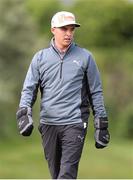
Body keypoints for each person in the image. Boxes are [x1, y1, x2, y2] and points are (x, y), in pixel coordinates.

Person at [16, 11, 110, 179]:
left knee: (66, 175)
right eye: (64, 29)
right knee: (56, 174)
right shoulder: (40, 58)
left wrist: (101, 124)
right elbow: (29, 89)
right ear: (53, 29)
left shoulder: (85, 57)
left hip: (75, 123)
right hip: (48, 124)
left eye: (71, 29)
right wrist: (24, 112)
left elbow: (96, 91)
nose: (68, 33)